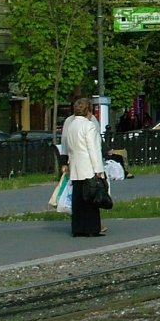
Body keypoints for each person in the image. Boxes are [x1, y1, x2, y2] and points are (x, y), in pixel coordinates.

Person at [61, 96, 106, 238]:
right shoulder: (88, 126)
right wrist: (98, 169)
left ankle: (77, 228)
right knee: (90, 198)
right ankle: (92, 228)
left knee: (77, 198)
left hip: (75, 166)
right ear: (88, 111)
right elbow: (93, 148)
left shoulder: (71, 125)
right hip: (88, 166)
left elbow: (68, 146)